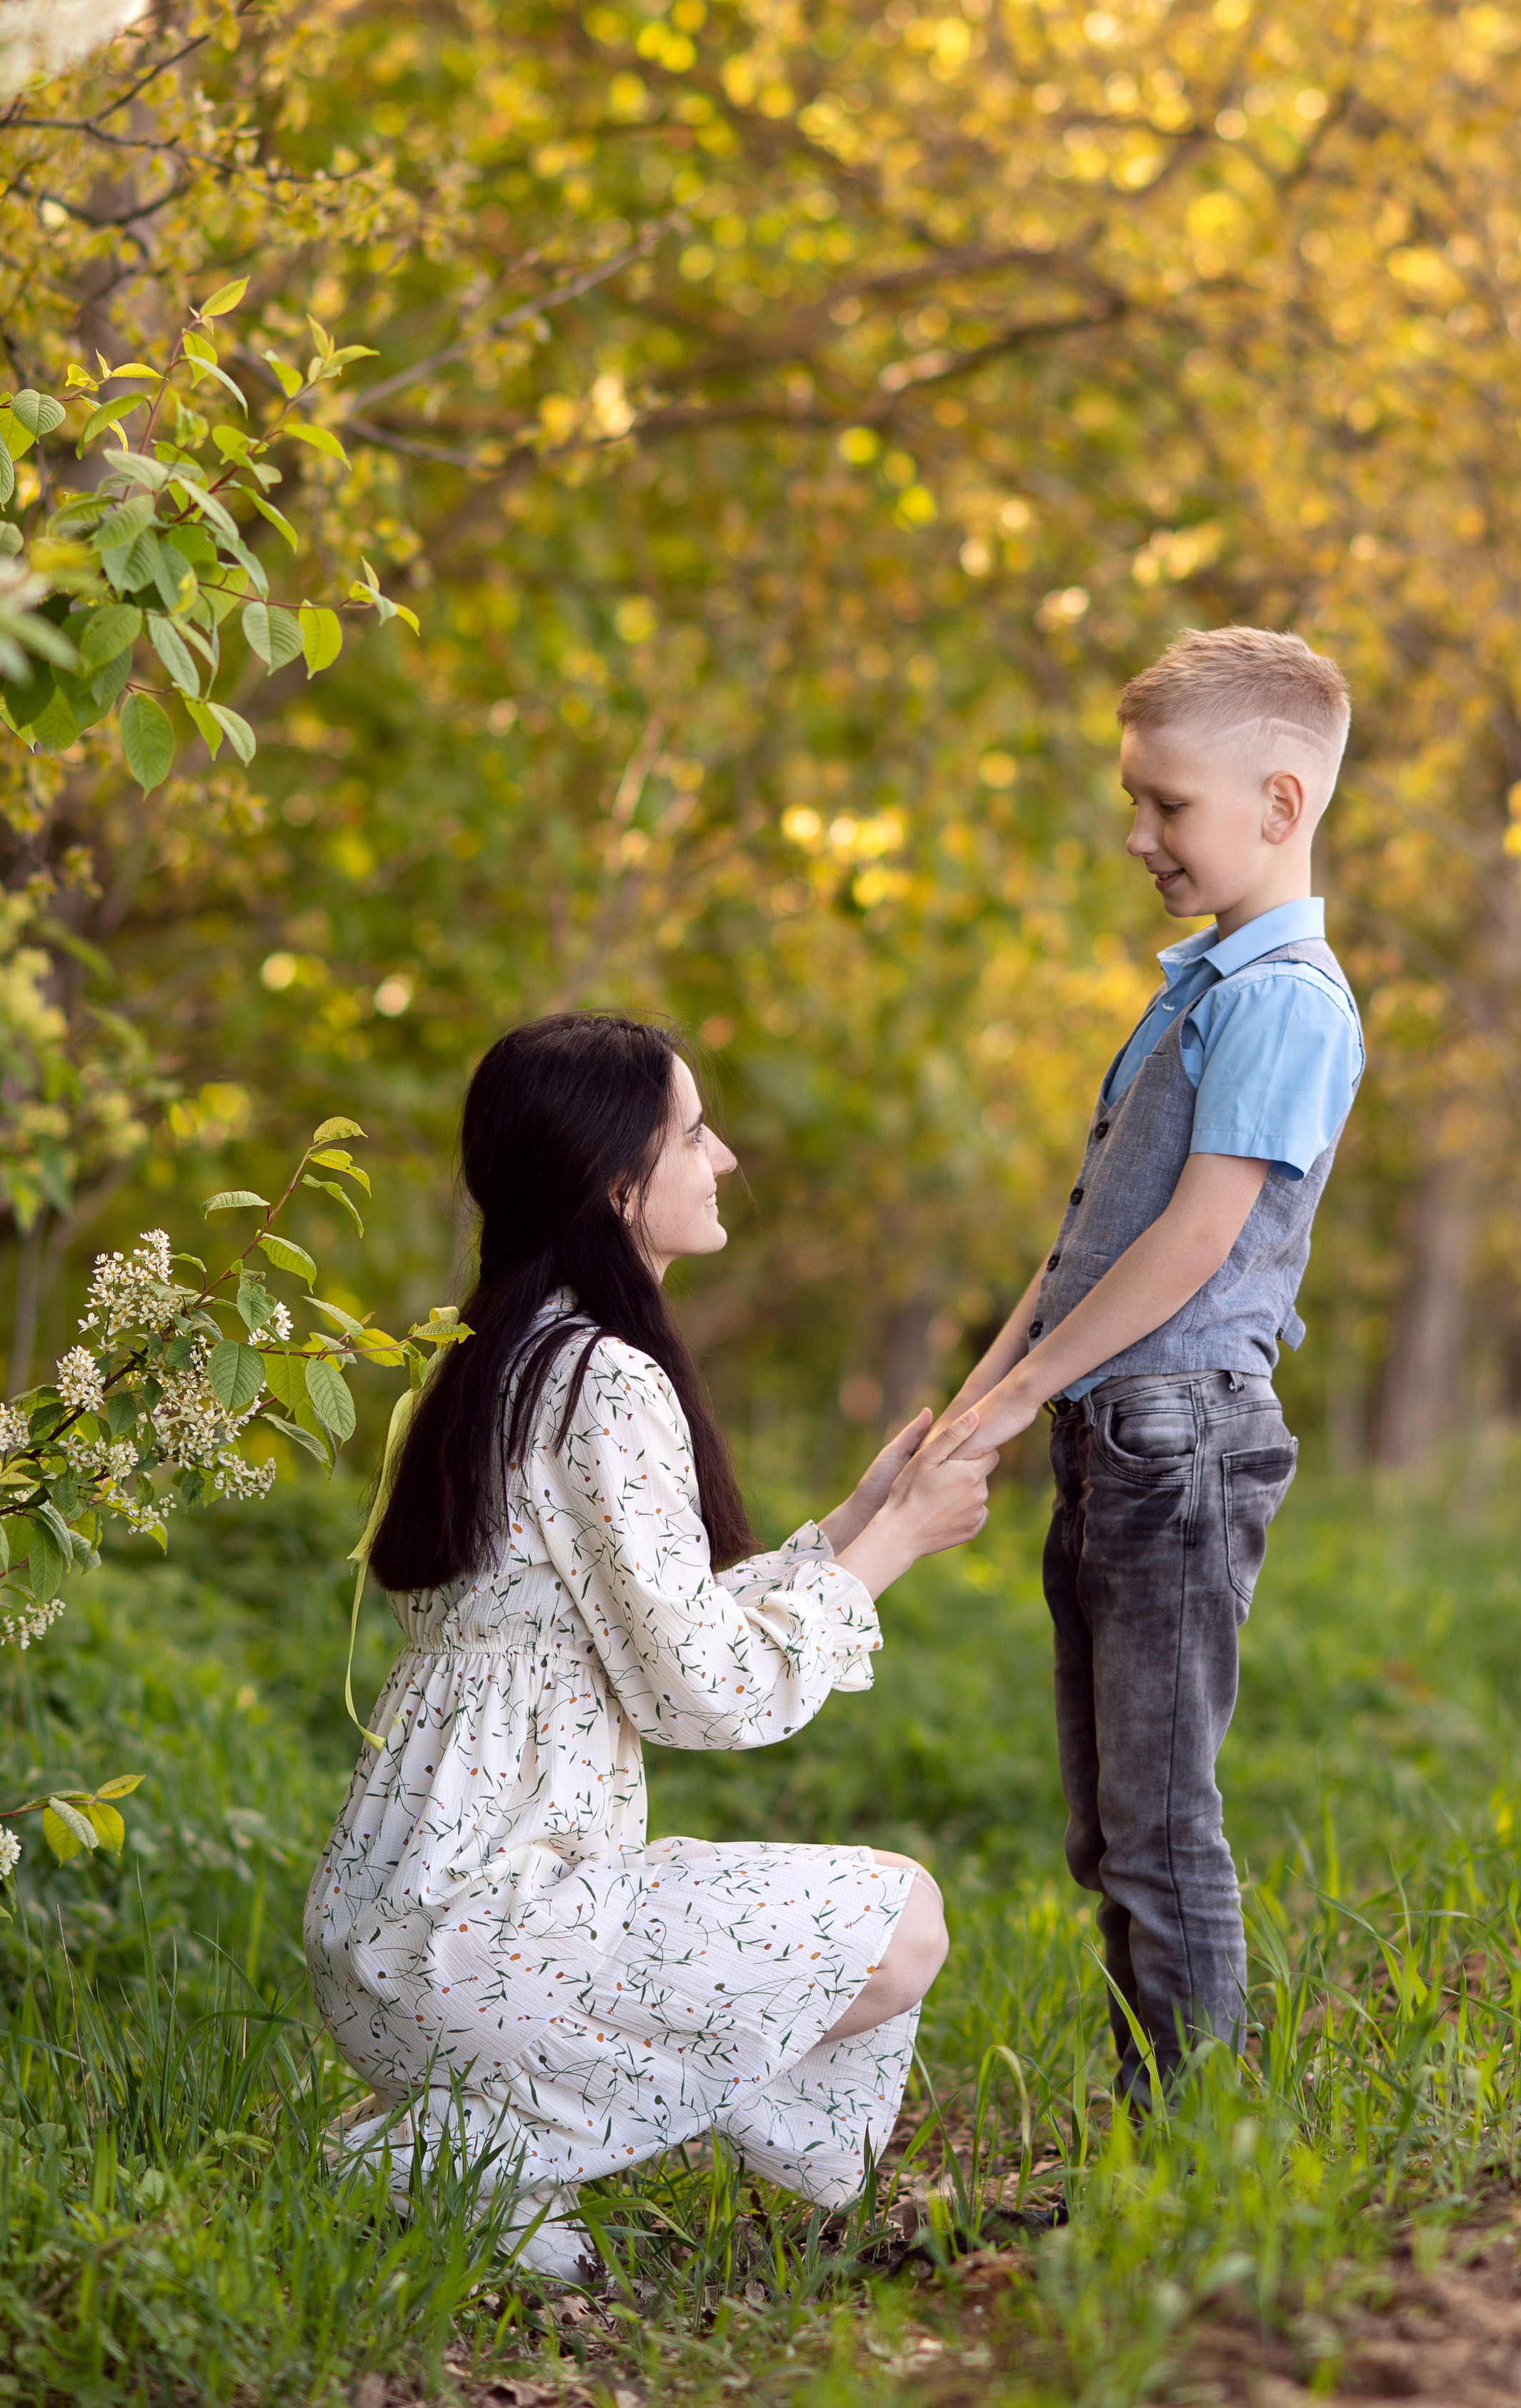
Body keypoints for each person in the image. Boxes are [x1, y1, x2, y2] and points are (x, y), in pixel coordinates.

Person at [304, 1013, 995, 2279]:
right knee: (901, 1920)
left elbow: (653, 1610)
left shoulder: (500, 1359)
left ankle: (476, 2158)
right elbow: (705, 1689)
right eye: (693, 1131)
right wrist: (897, 1549)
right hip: (491, 1930)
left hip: (392, 1930)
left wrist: (861, 1512)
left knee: (793, 1956)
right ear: (620, 1178)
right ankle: (419, 2157)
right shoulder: (608, 1378)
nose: (722, 1156)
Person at [941, 625, 1364, 2101]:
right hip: (1121, 1430)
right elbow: (1085, 1246)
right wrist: (983, 1400)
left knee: (1160, 1818)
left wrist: (1014, 1396)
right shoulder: (1198, 990)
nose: (1138, 837)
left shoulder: (1282, 1000)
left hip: (1180, 1437)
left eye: (1165, 807)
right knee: (1110, 1824)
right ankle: (1152, 2126)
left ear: (1280, 800)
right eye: (1134, 803)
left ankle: (1183, 2143)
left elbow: (1189, 1245)